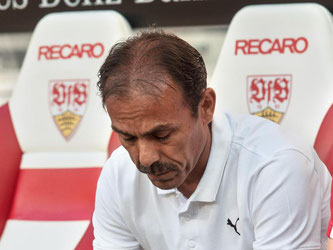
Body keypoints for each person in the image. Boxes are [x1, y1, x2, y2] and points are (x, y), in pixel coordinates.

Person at [92, 30, 331, 250]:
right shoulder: (118, 172)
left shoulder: (276, 166)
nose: (145, 158)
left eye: (162, 135)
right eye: (127, 137)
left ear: (206, 107)